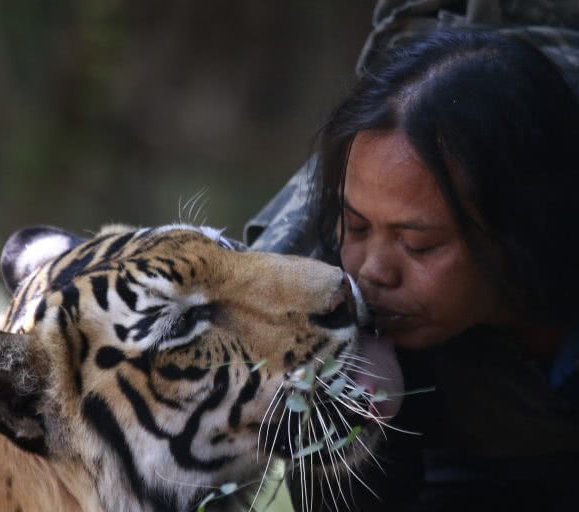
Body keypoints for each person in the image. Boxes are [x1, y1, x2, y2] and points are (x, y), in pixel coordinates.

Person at [247, 18, 579, 512]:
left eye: (419, 244)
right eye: (355, 227)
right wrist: (350, 402)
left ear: (519, 227)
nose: (372, 270)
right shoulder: (316, 287)